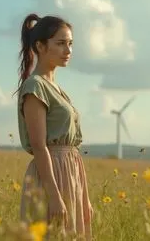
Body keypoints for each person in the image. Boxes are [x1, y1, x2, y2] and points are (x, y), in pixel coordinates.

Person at [15, 13, 93, 240]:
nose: (67, 50)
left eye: (70, 44)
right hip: (52, 176)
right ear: (40, 46)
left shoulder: (57, 88)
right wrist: (54, 196)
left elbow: (72, 150)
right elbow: (39, 146)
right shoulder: (35, 87)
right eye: (60, 43)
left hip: (70, 173)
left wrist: (84, 197)